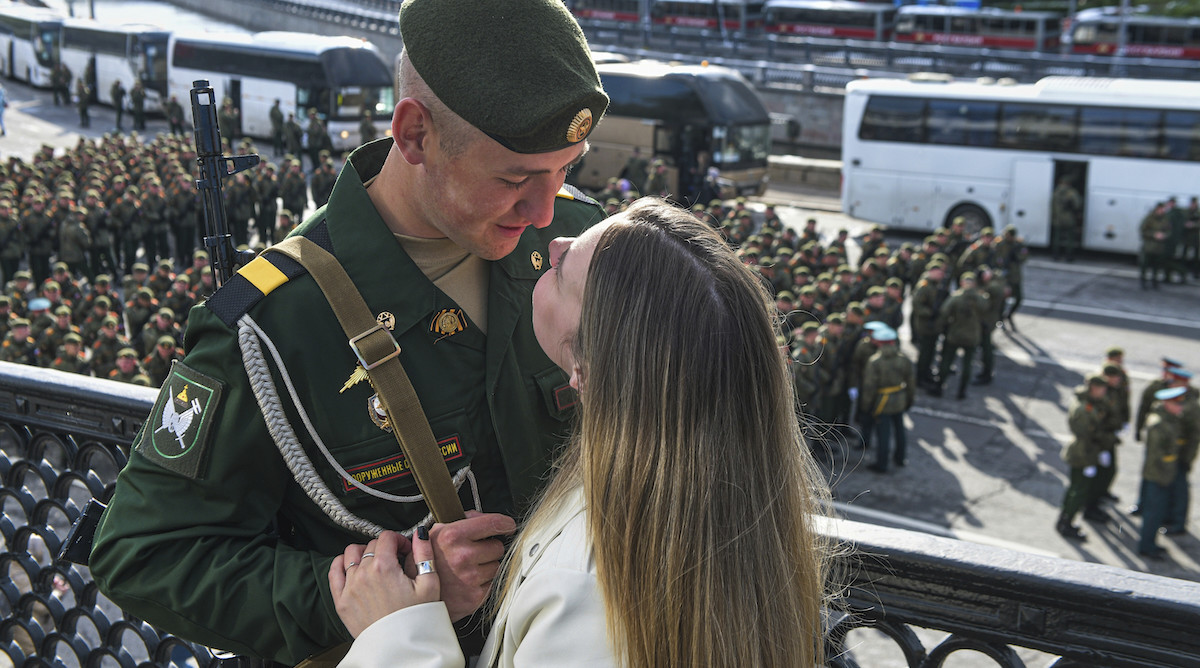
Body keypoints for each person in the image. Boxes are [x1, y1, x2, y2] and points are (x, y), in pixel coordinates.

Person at [90, 1, 611, 664]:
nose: (546, 208)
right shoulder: (276, 321)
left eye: (566, 170)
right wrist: (366, 592)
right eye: (514, 178)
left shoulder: (572, 252)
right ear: (415, 134)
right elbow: (146, 553)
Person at [330, 198, 831, 667]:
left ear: (588, 372)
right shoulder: (733, 502)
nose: (553, 242)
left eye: (559, 270)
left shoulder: (588, 591)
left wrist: (396, 635)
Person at [1057, 375, 1112, 542]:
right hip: (1082, 455)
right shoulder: (1083, 409)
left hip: (1086, 452)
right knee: (1078, 491)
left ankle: (1064, 520)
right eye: (1102, 388)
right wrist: (1089, 461)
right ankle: (1066, 523)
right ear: (1093, 388)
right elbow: (1084, 436)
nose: (1104, 391)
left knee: (1077, 488)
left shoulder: (1091, 402)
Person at [1137, 386, 1188, 560]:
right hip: (1158, 475)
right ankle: (1146, 546)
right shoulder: (1158, 424)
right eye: (1176, 404)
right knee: (1153, 513)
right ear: (1166, 403)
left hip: (1166, 474)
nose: (1180, 407)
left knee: (1158, 512)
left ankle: (1151, 543)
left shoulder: (1170, 419)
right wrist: (1165, 474)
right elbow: (1156, 455)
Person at [862, 326, 915, 473]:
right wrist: (909, 400)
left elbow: (869, 387)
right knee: (900, 431)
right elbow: (911, 383)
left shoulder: (875, 361)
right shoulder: (903, 359)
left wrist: (866, 406)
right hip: (900, 399)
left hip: (882, 402)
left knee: (883, 434)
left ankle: (882, 464)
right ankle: (900, 458)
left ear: (878, 343)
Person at [1050, 175, 1082, 262]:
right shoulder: (1072, 193)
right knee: (1070, 238)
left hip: (1058, 219)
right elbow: (1077, 205)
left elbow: (1052, 206)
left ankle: (1055, 255)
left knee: (1057, 238)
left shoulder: (1056, 192)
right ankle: (1069, 256)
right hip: (1069, 218)